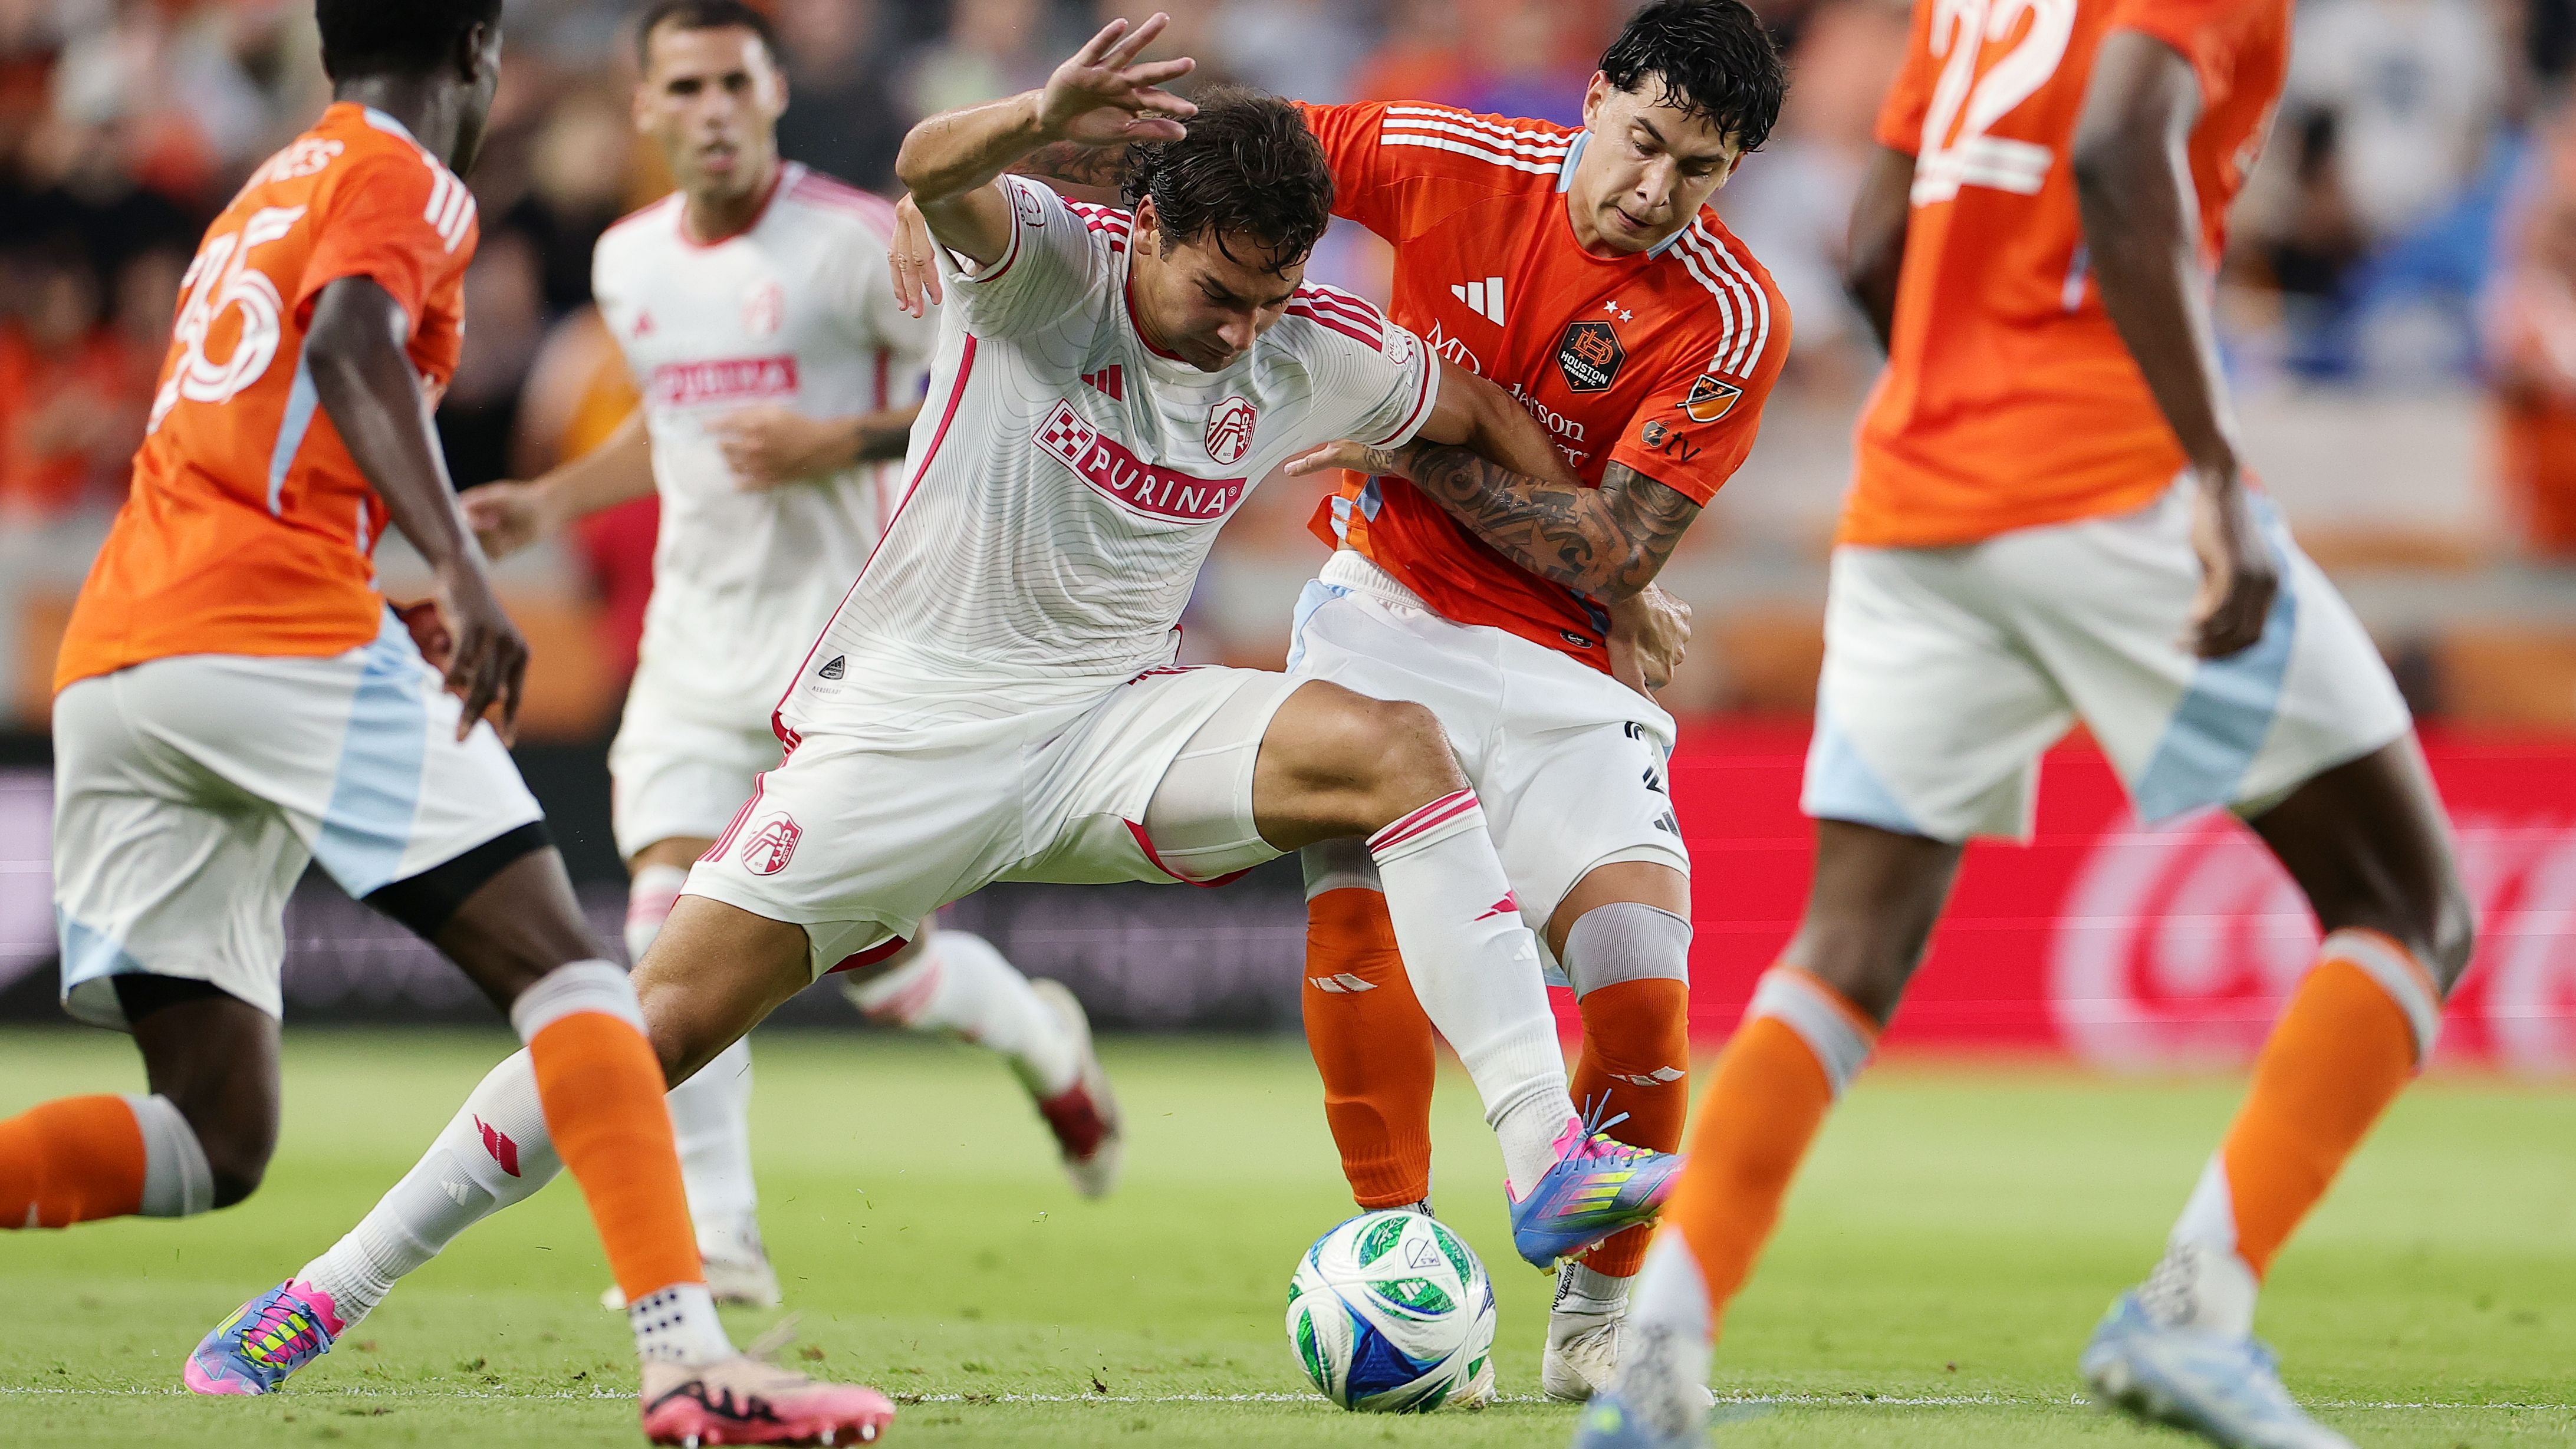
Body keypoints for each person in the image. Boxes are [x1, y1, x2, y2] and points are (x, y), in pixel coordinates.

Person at [199, 13, 1685, 1403]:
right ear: (1147, 228)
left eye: (1270, 301)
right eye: (1217, 295)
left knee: (1391, 747)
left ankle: (1543, 1150)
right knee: (652, 1023)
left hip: (1112, 728)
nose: (1241, 333)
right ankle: (327, 1287)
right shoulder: (1051, 266)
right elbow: (929, 169)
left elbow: (1469, 407)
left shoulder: (1305, 349)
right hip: (907, 735)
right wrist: (1035, 118)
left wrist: (1600, 564)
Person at [1579, 2, 2473, 1447]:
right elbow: (2119, 154)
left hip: (1916, 496)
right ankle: (2196, 1306)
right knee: (2409, 903)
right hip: (2104, 480)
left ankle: (1660, 1353)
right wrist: (2215, 475)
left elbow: (1878, 247)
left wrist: (1967, 391)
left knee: (1848, 950)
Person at [3, 4, 893, 1444]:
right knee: (581, 980)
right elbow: (355, 342)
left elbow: (265, 422)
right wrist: (466, 571)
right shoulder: (407, 174)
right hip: (264, 621)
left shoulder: (266, 186)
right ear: (478, 47)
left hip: (123, 655)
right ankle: (689, 1360)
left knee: (207, 1137)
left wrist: (380, 577)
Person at [905, 0, 1791, 1402]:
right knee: (1354, 907)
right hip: (1383, 614)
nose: (1653, 191)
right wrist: (969, 203)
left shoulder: (1735, 316)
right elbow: (1206, 160)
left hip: (1568, 665)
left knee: (1640, 992)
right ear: (1597, 94)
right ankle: (1404, 1250)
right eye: (1640, 142)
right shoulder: (1446, 153)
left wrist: (1406, 436)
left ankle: (1592, 1318)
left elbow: (1614, 554)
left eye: (1698, 170)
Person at [458, 0, 1120, 1313]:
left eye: (732, 85)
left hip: (847, 661)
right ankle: (724, 1235)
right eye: (684, 86)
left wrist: (840, 442)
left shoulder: (850, 245)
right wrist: (552, 501)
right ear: (644, 108)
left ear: (769, 99)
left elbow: (983, 383)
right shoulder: (630, 261)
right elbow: (677, 419)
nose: (710, 109)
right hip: (693, 661)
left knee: (890, 976)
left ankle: (1043, 1033)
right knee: (662, 933)